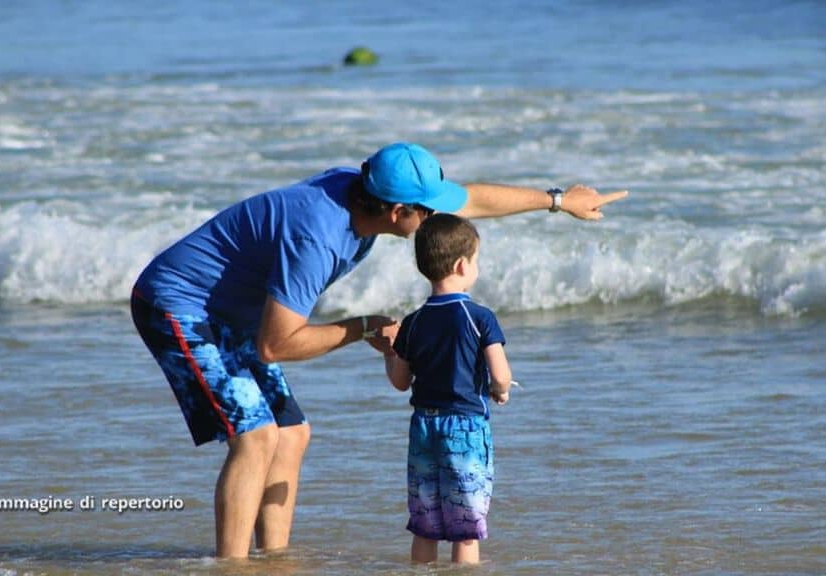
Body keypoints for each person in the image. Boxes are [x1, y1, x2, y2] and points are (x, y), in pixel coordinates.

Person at [130, 141, 627, 559]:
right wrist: (362, 327)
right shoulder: (317, 237)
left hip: (232, 310)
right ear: (397, 212)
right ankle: (233, 566)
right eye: (427, 210)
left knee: (293, 433)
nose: (437, 217)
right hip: (177, 305)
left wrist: (558, 201)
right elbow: (276, 344)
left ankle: (273, 560)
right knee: (256, 437)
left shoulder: (365, 190)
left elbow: (471, 198)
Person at [384, 213, 511, 564]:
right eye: (476, 261)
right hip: (464, 429)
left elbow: (400, 382)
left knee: (426, 525)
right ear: (460, 265)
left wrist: (388, 353)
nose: (477, 269)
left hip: (424, 427)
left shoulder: (414, 321)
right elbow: (500, 375)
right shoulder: (479, 317)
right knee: (465, 529)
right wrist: (499, 390)